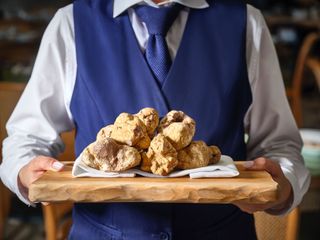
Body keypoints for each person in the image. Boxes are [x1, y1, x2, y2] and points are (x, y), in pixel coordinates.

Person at [0, 0, 310, 239]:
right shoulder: (71, 24)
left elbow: (280, 145)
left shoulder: (246, 23)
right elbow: (27, 138)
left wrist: (282, 188)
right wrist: (25, 171)